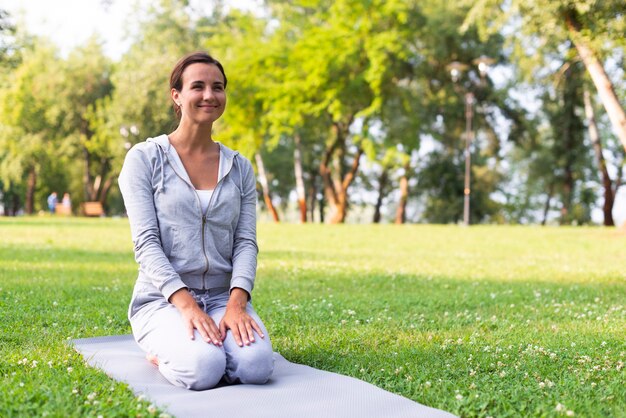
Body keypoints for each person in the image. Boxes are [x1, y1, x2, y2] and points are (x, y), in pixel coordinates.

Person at [118, 52, 274, 390]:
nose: (209, 95)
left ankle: (214, 348)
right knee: (203, 368)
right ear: (177, 95)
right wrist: (187, 306)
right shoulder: (144, 159)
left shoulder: (240, 167)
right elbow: (146, 244)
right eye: (197, 86)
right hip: (163, 301)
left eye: (217, 87)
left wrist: (237, 304)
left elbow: (246, 242)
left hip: (222, 298)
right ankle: (166, 352)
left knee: (257, 367)